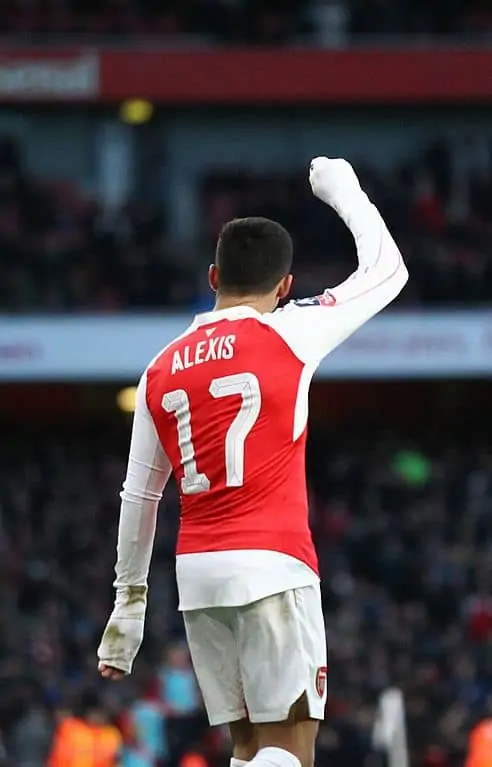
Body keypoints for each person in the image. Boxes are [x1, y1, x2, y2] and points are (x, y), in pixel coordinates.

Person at [97, 158, 408, 767]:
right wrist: (342, 188)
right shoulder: (292, 332)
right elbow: (387, 271)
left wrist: (128, 607)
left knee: (246, 748)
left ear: (213, 275)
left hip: (199, 576)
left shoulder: (160, 367)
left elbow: (140, 496)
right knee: (291, 749)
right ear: (285, 285)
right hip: (274, 566)